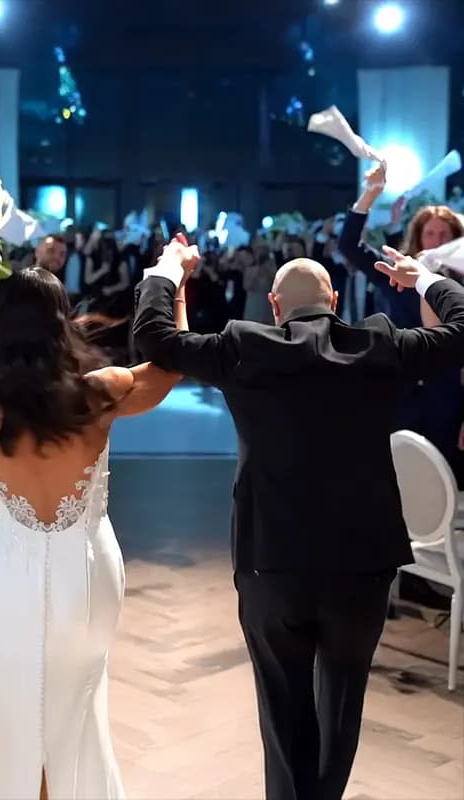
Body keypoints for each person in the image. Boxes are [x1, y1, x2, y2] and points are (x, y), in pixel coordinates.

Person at [133, 242, 464, 800]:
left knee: (282, 709)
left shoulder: (243, 346)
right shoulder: (380, 345)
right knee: (342, 703)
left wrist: (168, 269)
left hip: (270, 560)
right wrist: (423, 277)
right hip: (363, 562)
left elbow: (153, 338)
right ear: (333, 302)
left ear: (274, 305)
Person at [0, 258, 196, 800]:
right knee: (77, 700)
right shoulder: (99, 392)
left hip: (8, 575)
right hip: (87, 571)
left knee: (8, 698)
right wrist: (179, 289)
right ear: (61, 322)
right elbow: (171, 367)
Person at [339, 164, 464, 471]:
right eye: (430, 233)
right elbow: (349, 246)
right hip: (399, 396)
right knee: (396, 480)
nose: (436, 241)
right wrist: (370, 194)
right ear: (418, 237)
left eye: (444, 235)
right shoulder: (398, 272)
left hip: (449, 400)